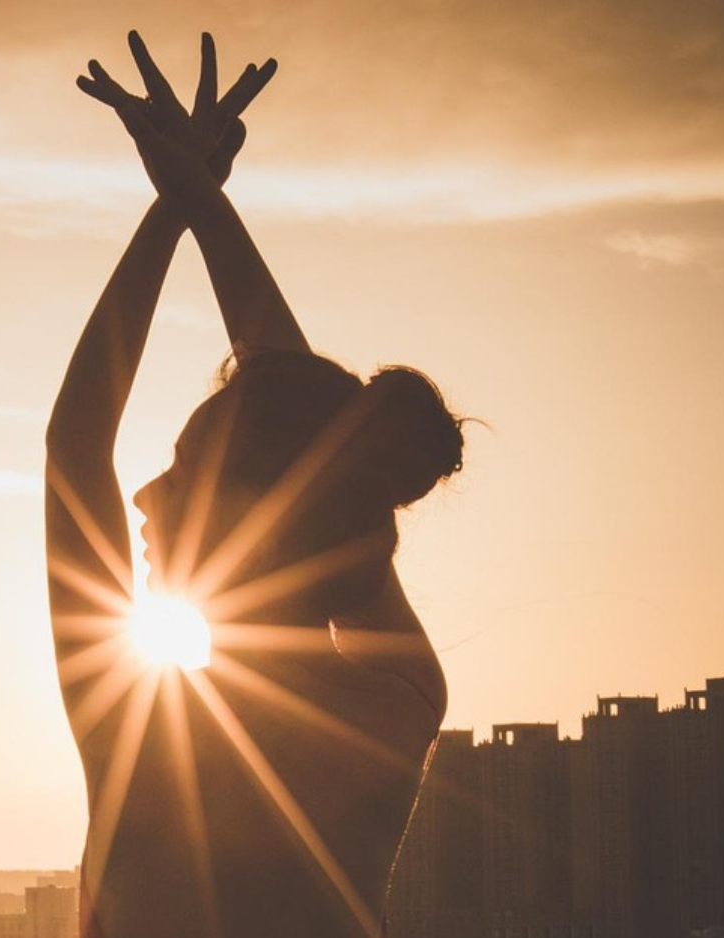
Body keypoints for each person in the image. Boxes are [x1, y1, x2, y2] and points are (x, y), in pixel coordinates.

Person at [44, 32, 465, 937]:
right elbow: (309, 434)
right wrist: (193, 192)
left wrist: (179, 202)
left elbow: (75, 448)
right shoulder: (398, 705)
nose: (145, 495)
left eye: (182, 474)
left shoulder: (143, 741)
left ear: (258, 527)